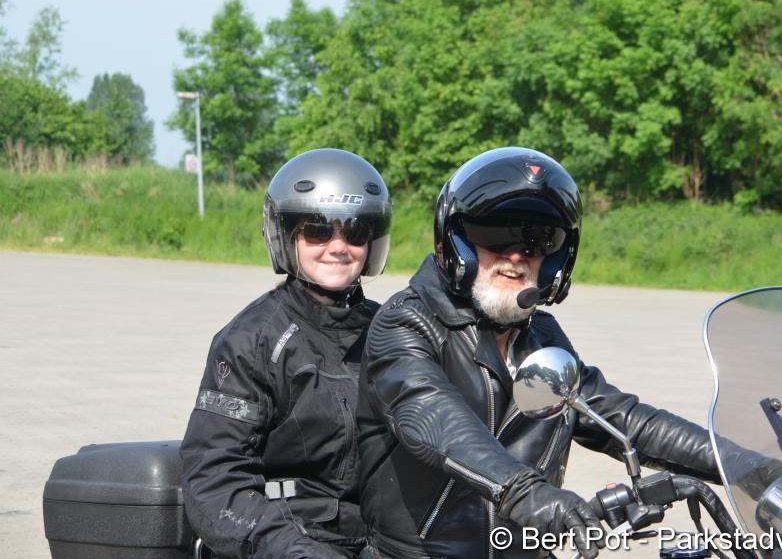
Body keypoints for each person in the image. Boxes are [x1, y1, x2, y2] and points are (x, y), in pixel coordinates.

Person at [356, 147, 734, 559]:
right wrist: (525, 492)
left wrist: (741, 461)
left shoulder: (541, 336)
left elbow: (623, 420)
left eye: (538, 241)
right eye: (495, 235)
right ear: (457, 242)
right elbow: (435, 419)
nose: (516, 256)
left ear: (554, 260)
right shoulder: (406, 323)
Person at [180, 148, 391, 559]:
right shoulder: (251, 341)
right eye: (318, 230)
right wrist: (292, 549)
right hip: (290, 541)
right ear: (287, 236)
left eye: (355, 231)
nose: (338, 246)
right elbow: (213, 480)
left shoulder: (391, 332)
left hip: (383, 542)